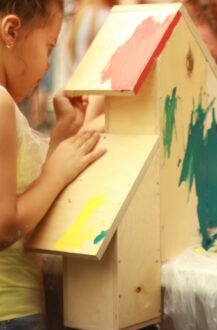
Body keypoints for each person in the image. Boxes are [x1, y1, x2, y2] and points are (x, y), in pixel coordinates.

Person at [0, 1, 106, 328]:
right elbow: (6, 227)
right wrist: (56, 172)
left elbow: (21, 199)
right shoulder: (0, 104)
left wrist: (60, 139)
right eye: (49, 46)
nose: (48, 65)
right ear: (11, 31)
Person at [83, 0, 217, 128]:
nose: (199, 65)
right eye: (194, 52)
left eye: (210, 59)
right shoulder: (126, 71)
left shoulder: (212, 105)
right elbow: (84, 130)